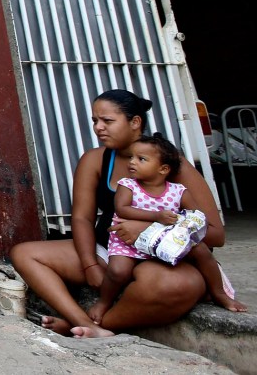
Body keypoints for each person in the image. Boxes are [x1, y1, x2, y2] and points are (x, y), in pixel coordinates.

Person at [10, 89, 228, 338]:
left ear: (135, 122)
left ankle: (100, 327)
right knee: (25, 254)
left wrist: (149, 230)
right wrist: (89, 263)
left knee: (176, 287)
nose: (98, 128)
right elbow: (82, 218)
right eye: (95, 121)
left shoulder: (171, 164)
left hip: (164, 259)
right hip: (112, 252)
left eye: (108, 121)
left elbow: (215, 234)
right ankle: (84, 323)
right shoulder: (95, 160)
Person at [87, 133, 246, 323]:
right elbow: (122, 210)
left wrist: (179, 225)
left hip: (164, 241)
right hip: (129, 242)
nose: (132, 162)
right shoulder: (127, 185)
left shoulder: (178, 191)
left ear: (163, 169)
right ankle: (104, 302)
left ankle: (219, 293)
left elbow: (197, 218)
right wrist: (157, 217)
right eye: (131, 157)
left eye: (141, 159)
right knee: (118, 271)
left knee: (202, 252)